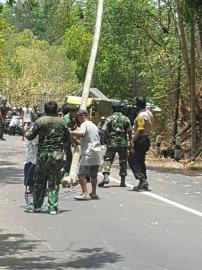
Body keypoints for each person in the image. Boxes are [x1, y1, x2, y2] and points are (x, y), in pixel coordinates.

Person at [25, 101, 70, 214]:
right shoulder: (63, 123)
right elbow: (66, 140)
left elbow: (30, 136)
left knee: (40, 181)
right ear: (57, 110)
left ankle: (37, 205)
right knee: (54, 181)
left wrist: (25, 130)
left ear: (45, 110)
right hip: (57, 156)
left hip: (43, 155)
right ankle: (53, 207)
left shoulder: (40, 121)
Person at [98, 102, 132, 187]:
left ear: (112, 109)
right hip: (123, 143)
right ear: (121, 109)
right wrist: (130, 141)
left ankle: (106, 176)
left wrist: (104, 139)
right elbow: (130, 131)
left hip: (112, 143)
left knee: (108, 159)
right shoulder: (126, 119)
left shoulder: (109, 119)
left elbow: (103, 130)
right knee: (123, 161)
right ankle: (123, 181)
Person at [70, 109, 101, 200]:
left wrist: (70, 132)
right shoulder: (93, 125)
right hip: (96, 151)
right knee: (93, 174)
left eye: (78, 117)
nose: (78, 119)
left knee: (82, 174)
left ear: (81, 116)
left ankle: (85, 193)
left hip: (88, 152)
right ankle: (94, 193)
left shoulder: (84, 125)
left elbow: (81, 133)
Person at [128, 96, 153, 191]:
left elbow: (140, 129)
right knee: (140, 160)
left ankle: (142, 179)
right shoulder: (149, 112)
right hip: (146, 139)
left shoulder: (142, 115)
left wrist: (132, 140)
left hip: (141, 139)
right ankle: (143, 182)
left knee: (132, 159)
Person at [62, 104, 79, 175]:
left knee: (69, 157)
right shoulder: (67, 119)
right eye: (76, 112)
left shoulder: (73, 117)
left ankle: (66, 171)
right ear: (72, 112)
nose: (77, 113)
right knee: (68, 157)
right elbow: (69, 133)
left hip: (68, 138)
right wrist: (75, 141)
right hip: (64, 139)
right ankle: (64, 173)